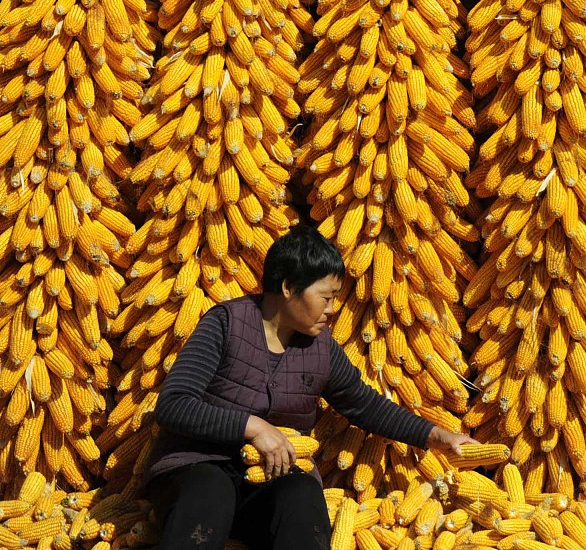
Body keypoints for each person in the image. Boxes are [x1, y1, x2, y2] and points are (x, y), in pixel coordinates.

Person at [146, 226, 479, 550]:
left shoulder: (322, 348)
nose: (332, 310)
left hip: (264, 483)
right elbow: (174, 404)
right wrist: (252, 427)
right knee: (211, 489)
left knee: (302, 495)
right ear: (289, 287)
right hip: (194, 474)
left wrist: (437, 436)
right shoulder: (225, 324)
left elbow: (363, 404)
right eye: (326, 297)